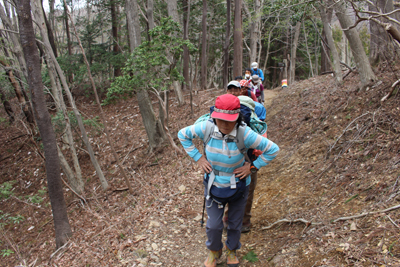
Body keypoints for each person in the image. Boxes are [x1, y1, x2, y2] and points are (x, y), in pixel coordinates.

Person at [178, 93, 279, 267]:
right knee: (214, 226)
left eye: (229, 120)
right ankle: (214, 250)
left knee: (234, 223)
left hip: (239, 186)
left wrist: (252, 167)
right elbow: (182, 135)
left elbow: (273, 149)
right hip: (213, 184)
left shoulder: (245, 133)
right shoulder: (207, 128)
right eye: (220, 120)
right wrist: (198, 158)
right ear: (214, 117)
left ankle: (232, 250)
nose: (224, 124)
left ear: (237, 117)